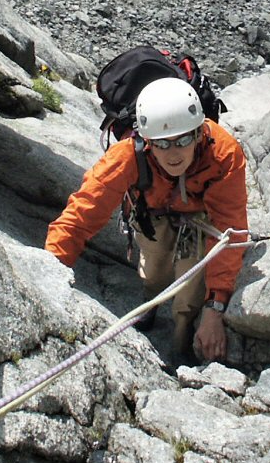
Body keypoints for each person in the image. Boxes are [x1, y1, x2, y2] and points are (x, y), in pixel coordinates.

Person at [45, 77, 249, 362]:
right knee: (154, 273)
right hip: (151, 214)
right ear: (147, 141)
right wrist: (49, 271)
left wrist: (215, 307)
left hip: (199, 220)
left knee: (189, 294)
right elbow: (82, 213)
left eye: (183, 140)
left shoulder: (223, 153)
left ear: (199, 132)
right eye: (162, 144)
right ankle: (151, 302)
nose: (173, 154)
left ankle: (179, 350)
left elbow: (230, 229)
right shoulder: (128, 154)